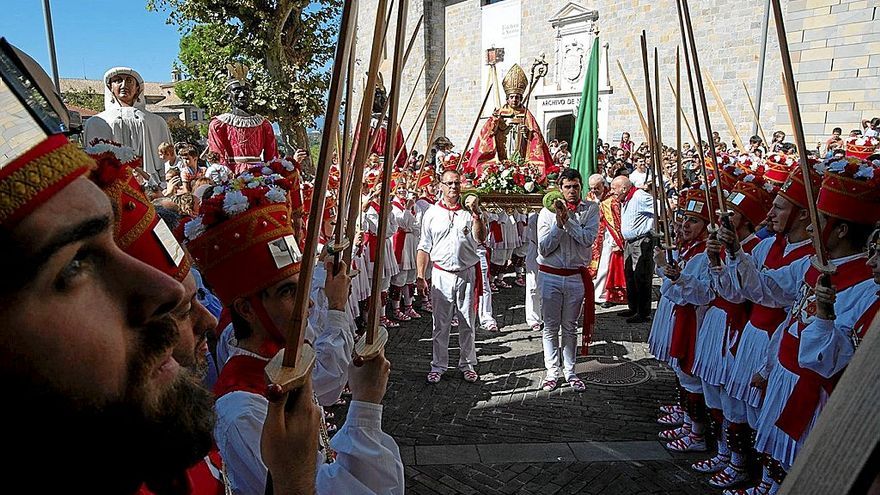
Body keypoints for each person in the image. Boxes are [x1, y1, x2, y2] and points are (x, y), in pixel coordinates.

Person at [184, 173, 404, 494]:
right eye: (289, 293)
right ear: (247, 310)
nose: (308, 301)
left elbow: (327, 385)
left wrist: (337, 305)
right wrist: (365, 407)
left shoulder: (278, 359)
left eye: (301, 290)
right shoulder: (242, 412)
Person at [417, 169, 487, 384]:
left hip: (466, 272)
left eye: (457, 183)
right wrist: (421, 276)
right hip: (441, 274)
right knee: (441, 323)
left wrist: (476, 214)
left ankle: (467, 363)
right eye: (449, 183)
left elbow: (481, 238)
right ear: (441, 185)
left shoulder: (471, 211)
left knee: (467, 322)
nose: (453, 187)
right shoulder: (431, 213)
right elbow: (424, 246)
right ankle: (438, 365)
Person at [536, 168, 599, 392]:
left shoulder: (591, 209)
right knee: (550, 327)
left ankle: (570, 371)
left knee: (570, 326)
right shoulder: (545, 213)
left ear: (580, 187)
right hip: (550, 275)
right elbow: (544, 248)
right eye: (567, 187)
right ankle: (552, 372)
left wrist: (567, 221)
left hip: (575, 276)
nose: (572, 191)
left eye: (575, 186)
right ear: (560, 189)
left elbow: (587, 239)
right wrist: (558, 224)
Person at [82, 66, 173, 187]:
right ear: (110, 87)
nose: (124, 85)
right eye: (118, 80)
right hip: (112, 185)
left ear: (137, 88)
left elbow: (168, 159)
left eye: (129, 81)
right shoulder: (96, 122)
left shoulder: (157, 122)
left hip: (152, 183)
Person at [466, 64, 555, 175]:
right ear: (507, 99)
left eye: (517, 97)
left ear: (521, 99)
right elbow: (488, 133)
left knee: (517, 160)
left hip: (520, 147)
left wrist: (527, 131)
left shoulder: (526, 114)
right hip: (503, 145)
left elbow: (536, 136)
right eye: (512, 97)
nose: (514, 100)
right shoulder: (499, 113)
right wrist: (495, 122)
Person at [207, 63, 278, 174]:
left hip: (259, 173)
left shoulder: (263, 124)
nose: (242, 95)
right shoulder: (219, 124)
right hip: (233, 174)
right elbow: (218, 154)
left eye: (246, 91)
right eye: (237, 91)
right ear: (228, 96)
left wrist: (272, 173)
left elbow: (272, 154)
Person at [612, 176, 655, 323]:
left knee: (641, 276)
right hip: (630, 242)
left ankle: (643, 312)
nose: (612, 192)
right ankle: (633, 307)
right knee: (630, 275)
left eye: (614, 188)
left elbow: (660, 206)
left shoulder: (640, 196)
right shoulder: (627, 198)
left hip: (641, 240)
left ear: (624, 188)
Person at [589, 174, 627, 308]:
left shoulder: (612, 200)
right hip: (592, 236)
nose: (594, 191)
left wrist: (617, 241)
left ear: (603, 186)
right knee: (591, 265)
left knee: (604, 266)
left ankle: (602, 295)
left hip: (607, 237)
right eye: (592, 188)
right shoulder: (589, 197)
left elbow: (617, 220)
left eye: (597, 188)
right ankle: (591, 292)